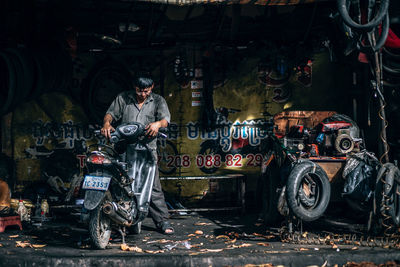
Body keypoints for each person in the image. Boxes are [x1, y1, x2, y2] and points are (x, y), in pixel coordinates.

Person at [101, 72, 174, 235]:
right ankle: (119, 218)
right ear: (134, 88)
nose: (143, 94)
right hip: (125, 149)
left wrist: (157, 124)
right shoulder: (124, 98)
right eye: (140, 91)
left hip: (147, 150)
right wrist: (106, 123)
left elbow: (165, 120)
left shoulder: (158, 100)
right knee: (121, 185)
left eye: (146, 91)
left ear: (152, 88)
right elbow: (111, 114)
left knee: (153, 187)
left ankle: (162, 221)